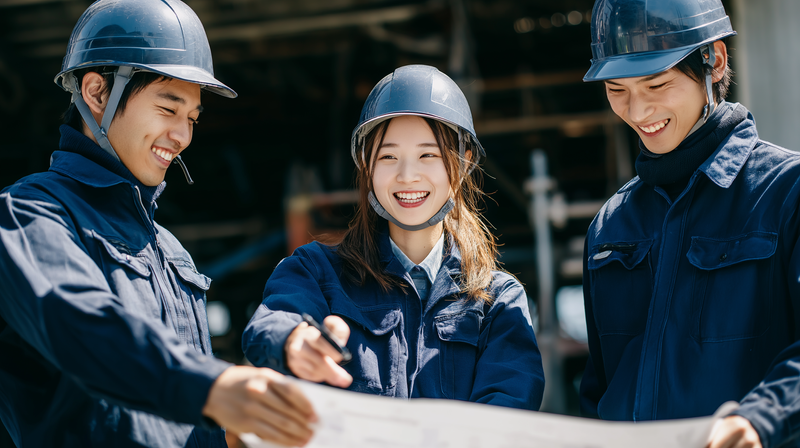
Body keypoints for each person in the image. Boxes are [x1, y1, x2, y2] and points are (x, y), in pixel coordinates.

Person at [0, 0, 316, 446]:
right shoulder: (29, 214)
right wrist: (212, 386)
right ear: (96, 93)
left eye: (191, 118)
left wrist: (243, 428)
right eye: (168, 109)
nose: (183, 136)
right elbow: (83, 327)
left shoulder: (169, 250)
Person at [242, 65, 544, 409]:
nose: (407, 175)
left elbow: (507, 413)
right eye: (388, 156)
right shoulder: (315, 271)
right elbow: (274, 321)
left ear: (462, 163)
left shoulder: (497, 301)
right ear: (366, 166)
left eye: (427, 155)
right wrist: (295, 340)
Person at [581, 0, 800, 447]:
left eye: (656, 84)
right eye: (616, 89)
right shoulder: (610, 228)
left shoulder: (786, 192)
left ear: (714, 61)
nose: (637, 111)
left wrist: (760, 418)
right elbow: (599, 391)